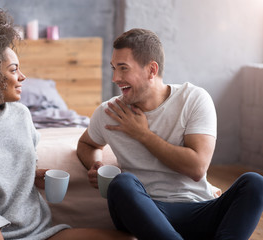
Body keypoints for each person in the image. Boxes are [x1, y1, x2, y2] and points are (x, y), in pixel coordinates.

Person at [0, 9, 135, 240]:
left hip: (36, 232)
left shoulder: (21, 115)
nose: (22, 77)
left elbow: (10, 170)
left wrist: (32, 175)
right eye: (13, 69)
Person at [77, 28, 263, 240]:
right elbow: (86, 144)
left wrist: (143, 134)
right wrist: (96, 164)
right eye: (113, 68)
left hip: (200, 208)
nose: (115, 78)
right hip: (146, 210)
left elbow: (197, 167)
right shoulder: (109, 112)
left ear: (151, 70)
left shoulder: (193, 99)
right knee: (122, 184)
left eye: (123, 68)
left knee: (254, 183)